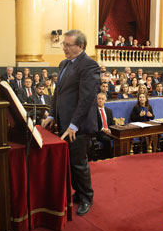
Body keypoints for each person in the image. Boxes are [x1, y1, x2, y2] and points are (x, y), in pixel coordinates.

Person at [42, 29, 99, 216]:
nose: (64, 48)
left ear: (80, 46)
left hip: (78, 125)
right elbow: (58, 93)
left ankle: (86, 197)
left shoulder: (89, 65)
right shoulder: (64, 63)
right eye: (63, 44)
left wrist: (74, 124)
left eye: (68, 45)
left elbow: (86, 98)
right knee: (70, 162)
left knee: (79, 162)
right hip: (63, 122)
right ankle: (78, 192)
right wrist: (51, 115)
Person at [96, 93, 114, 159]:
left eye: (102, 99)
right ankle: (108, 158)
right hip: (98, 132)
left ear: (105, 100)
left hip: (109, 131)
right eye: (99, 99)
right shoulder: (93, 111)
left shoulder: (109, 111)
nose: (100, 100)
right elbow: (93, 124)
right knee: (107, 139)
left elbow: (112, 123)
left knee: (119, 136)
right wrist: (103, 129)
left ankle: (119, 155)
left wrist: (111, 130)